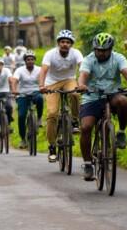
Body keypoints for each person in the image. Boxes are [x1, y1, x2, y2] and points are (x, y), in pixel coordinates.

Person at [76, 32, 127, 181]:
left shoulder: (118, 58)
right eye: (98, 50)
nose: (101, 53)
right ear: (94, 49)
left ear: (111, 49)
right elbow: (83, 75)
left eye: (104, 50)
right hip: (92, 96)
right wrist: (82, 85)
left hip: (113, 94)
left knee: (123, 101)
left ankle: (121, 132)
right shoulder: (88, 60)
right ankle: (88, 164)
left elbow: (126, 71)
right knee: (86, 127)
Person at [39, 29, 83, 162]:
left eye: (68, 42)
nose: (65, 44)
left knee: (75, 94)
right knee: (52, 114)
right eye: (62, 42)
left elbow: (83, 68)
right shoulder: (50, 54)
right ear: (58, 43)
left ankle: (75, 120)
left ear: (71, 44)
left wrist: (83, 83)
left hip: (69, 80)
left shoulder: (76, 53)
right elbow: (43, 70)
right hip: (51, 83)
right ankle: (52, 146)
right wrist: (41, 86)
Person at [12, 49, 43, 150]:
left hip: (35, 92)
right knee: (21, 116)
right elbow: (15, 80)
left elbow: (44, 79)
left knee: (40, 98)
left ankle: (39, 118)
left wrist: (44, 87)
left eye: (32, 59)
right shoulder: (19, 70)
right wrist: (14, 90)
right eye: (28, 59)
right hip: (22, 94)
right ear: (25, 61)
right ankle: (23, 139)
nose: (30, 61)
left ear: (34, 60)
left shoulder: (39, 69)